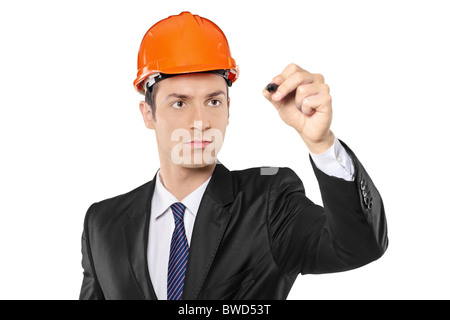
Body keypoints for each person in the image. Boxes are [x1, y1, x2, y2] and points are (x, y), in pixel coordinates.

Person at [79, 11, 388, 300]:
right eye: (179, 103)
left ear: (228, 109)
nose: (200, 122)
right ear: (148, 114)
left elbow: (359, 247)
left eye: (213, 102)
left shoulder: (268, 201)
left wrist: (321, 143)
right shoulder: (102, 223)